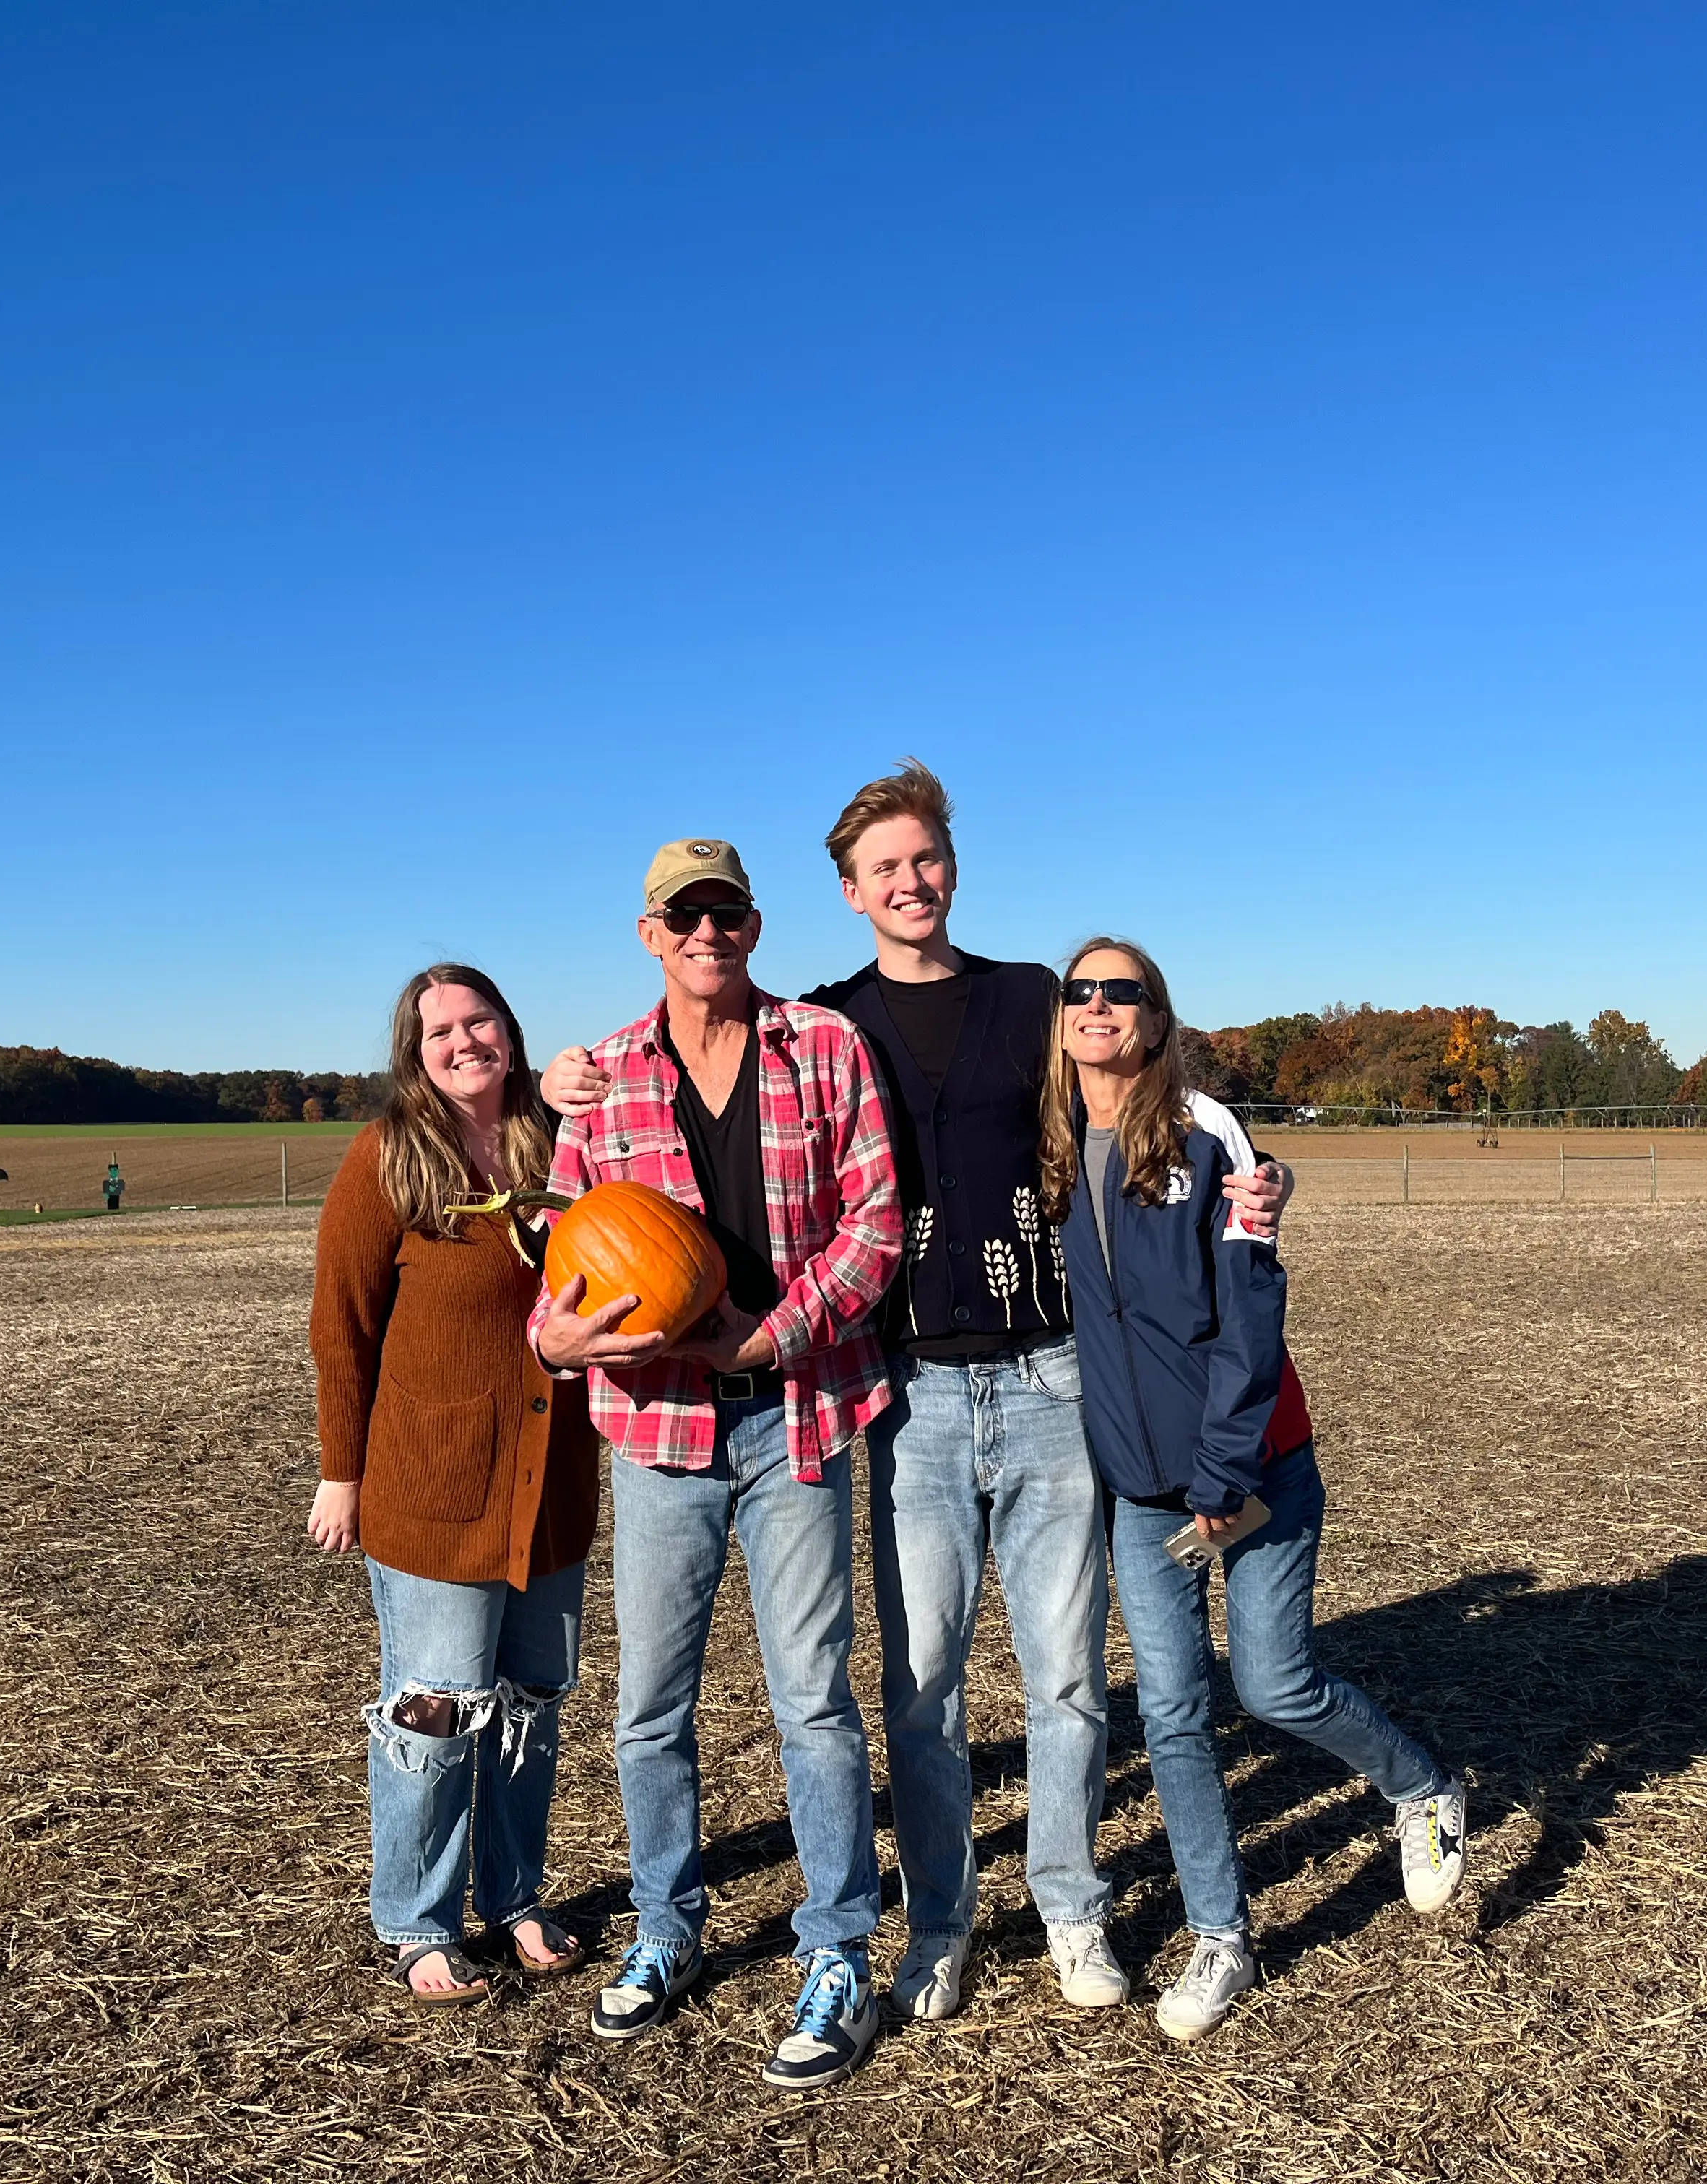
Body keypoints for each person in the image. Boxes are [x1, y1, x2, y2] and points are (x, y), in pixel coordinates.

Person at [545, 763, 1295, 2024]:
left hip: (1054, 1380)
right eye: (882, 868)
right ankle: (938, 1920)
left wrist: (1258, 1178)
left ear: (952, 867)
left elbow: (1149, 1082)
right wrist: (551, 1081)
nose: (909, 882)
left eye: (924, 859)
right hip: (914, 1396)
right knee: (922, 1682)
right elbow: (598, 1207)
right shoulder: (834, 1023)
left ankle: (1068, 1905)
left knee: (1063, 1679)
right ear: (846, 894)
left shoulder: (1028, 1003)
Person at [530, 836, 902, 2092]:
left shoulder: (825, 1048)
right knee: (649, 1708)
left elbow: (875, 1224)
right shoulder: (604, 1081)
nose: (706, 933)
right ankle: (667, 1927)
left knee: (814, 1703)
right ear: (650, 933)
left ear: (754, 924)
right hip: (658, 1434)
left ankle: (840, 1944)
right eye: (682, 915)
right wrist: (560, 1335)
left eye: (725, 912)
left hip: (797, 1415)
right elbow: (565, 1253)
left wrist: (776, 1330)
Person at [1045, 936, 1468, 2040]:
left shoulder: (1208, 1131)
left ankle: (1420, 1788)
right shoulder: (1044, 1141)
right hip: (1140, 1489)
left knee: (1274, 1687)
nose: (1097, 1006)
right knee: (1175, 1714)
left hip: (1254, 1461)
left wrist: (1225, 1469)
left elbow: (1252, 1315)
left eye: (1120, 991)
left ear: (1155, 1014)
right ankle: (1219, 1935)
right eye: (1078, 991)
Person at [309, 964, 602, 2006]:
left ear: (511, 1030)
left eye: (480, 1020)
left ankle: (515, 1897)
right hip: (431, 1481)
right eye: (441, 1030)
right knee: (435, 1710)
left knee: (530, 1707)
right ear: (414, 1051)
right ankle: (420, 1921)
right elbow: (339, 1328)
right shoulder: (389, 1155)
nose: (464, 1040)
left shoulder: (558, 1138)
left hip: (553, 1476)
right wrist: (342, 1472)